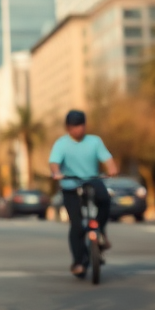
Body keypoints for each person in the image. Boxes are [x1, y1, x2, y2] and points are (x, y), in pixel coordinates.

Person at [48, 110, 118, 277]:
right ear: (68, 128)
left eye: (81, 126)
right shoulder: (61, 144)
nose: (78, 130)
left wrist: (112, 168)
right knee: (77, 225)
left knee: (105, 199)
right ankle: (78, 262)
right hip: (70, 185)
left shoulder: (94, 141)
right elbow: (54, 163)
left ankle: (100, 230)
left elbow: (108, 159)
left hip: (91, 180)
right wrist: (56, 172)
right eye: (74, 127)